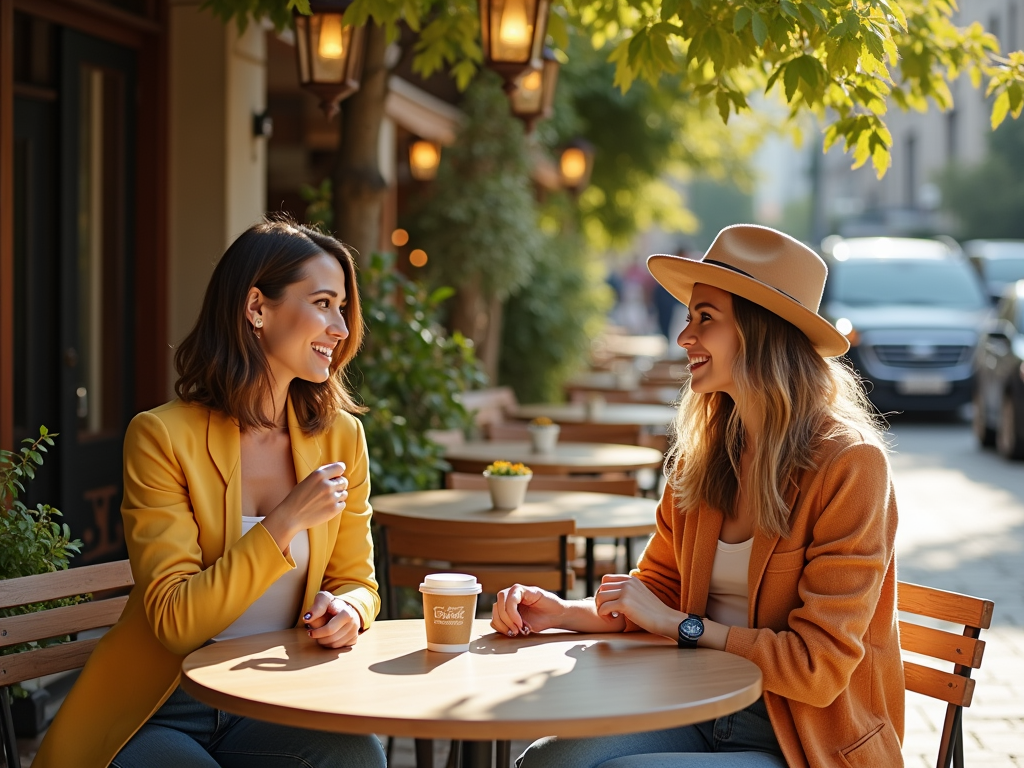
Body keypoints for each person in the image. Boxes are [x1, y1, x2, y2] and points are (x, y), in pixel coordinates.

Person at [491, 224, 904, 768]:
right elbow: (659, 589)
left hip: (799, 740)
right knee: (547, 762)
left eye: (705, 319)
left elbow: (817, 668)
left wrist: (681, 626)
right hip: (693, 705)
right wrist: (568, 613)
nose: (685, 337)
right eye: (689, 318)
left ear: (762, 331)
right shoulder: (707, 453)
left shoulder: (850, 465)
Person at [34, 218, 387, 768]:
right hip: (163, 704)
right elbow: (176, 622)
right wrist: (283, 523)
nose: (341, 327)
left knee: (356, 758)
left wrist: (348, 609)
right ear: (256, 308)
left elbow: (359, 581)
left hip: (274, 696)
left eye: (343, 307)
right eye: (322, 303)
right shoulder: (161, 436)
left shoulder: (342, 438)